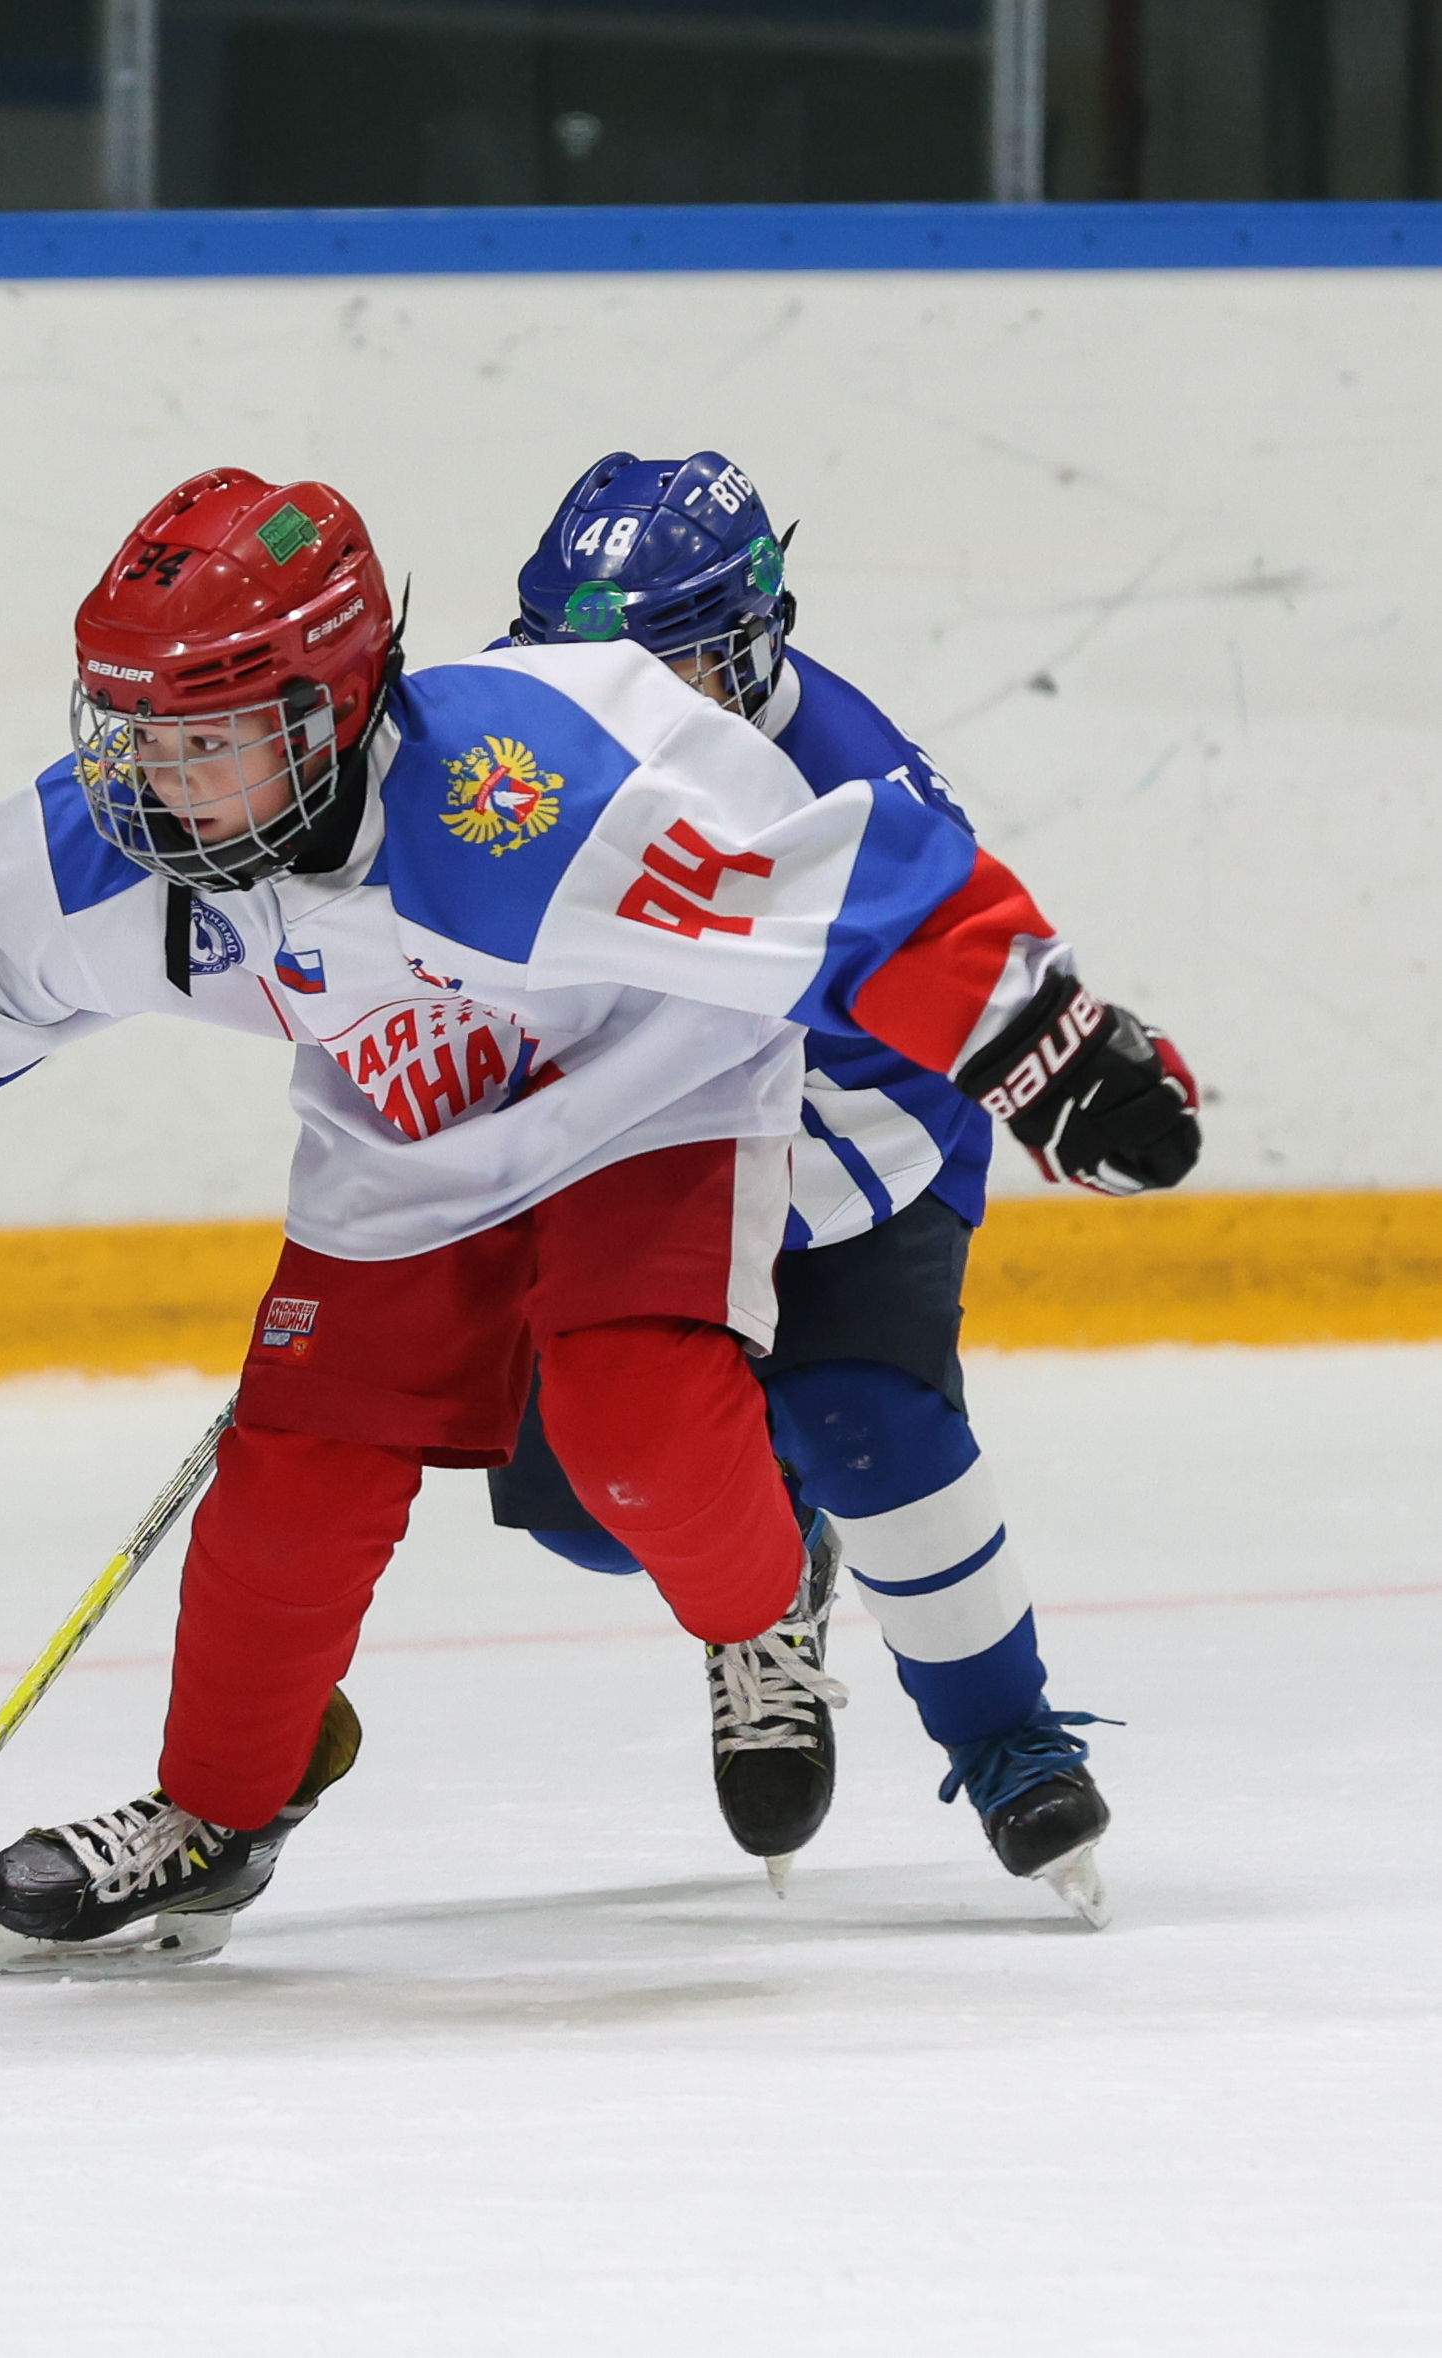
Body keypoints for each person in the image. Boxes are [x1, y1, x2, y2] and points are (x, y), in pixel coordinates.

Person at [0, 468, 1200, 1971]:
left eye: (206, 743)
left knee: (639, 1430)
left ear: (330, 710)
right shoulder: (121, 849)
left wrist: (1048, 1041)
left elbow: (842, 882)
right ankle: (216, 1813)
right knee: (292, 1482)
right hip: (403, 1141)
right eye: (134, 737)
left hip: (651, 1095)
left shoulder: (527, 800)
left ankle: (767, 1594)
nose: (155, 785)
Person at [481, 452, 1194, 1918]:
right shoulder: (499, 748)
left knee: (868, 1423)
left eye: (671, 670)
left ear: (755, 642)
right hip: (635, 1164)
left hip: (853, 1154)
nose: (627, 709)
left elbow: (974, 971)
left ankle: (1007, 1738)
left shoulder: (855, 786)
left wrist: (1081, 1060)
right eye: (588, 667)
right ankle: (768, 1580)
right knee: (592, 1506)